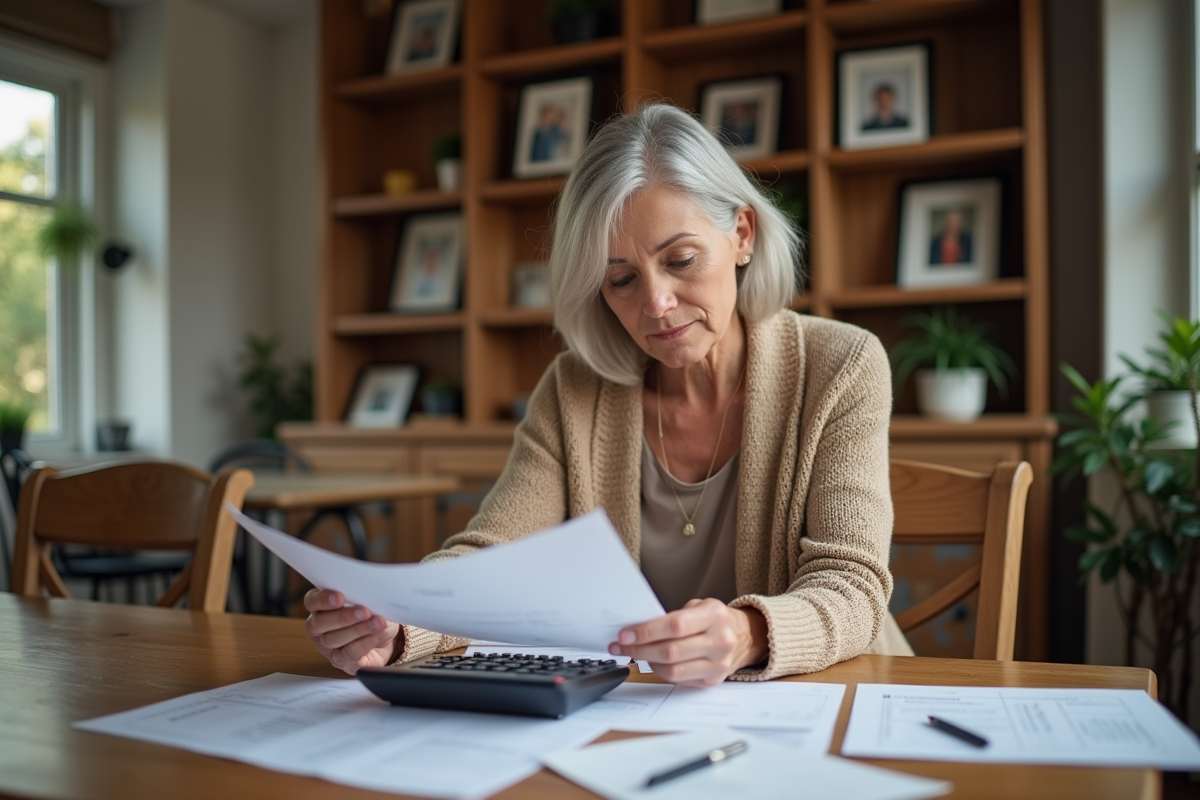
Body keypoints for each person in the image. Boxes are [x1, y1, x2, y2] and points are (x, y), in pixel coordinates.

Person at [305, 103, 913, 688]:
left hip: (829, 696)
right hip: (649, 710)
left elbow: (851, 583)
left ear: (742, 234)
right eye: (620, 279)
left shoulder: (842, 365)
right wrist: (396, 624)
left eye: (681, 259)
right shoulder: (574, 390)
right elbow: (492, 556)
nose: (656, 304)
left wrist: (746, 631)